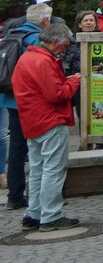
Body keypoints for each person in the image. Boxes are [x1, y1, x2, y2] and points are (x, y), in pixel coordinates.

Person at [11, 21, 81, 231]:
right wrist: (73, 82)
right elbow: (56, 94)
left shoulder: (26, 58)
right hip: (49, 119)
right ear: (53, 41)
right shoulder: (44, 61)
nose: (65, 48)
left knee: (37, 169)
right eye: (64, 44)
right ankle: (50, 215)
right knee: (53, 169)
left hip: (32, 120)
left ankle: (33, 214)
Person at [3, 2, 52, 211]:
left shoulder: (10, 36)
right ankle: (40, 198)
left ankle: (14, 196)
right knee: (39, 148)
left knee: (16, 148)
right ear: (45, 21)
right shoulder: (37, 40)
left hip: (9, 99)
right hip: (31, 102)